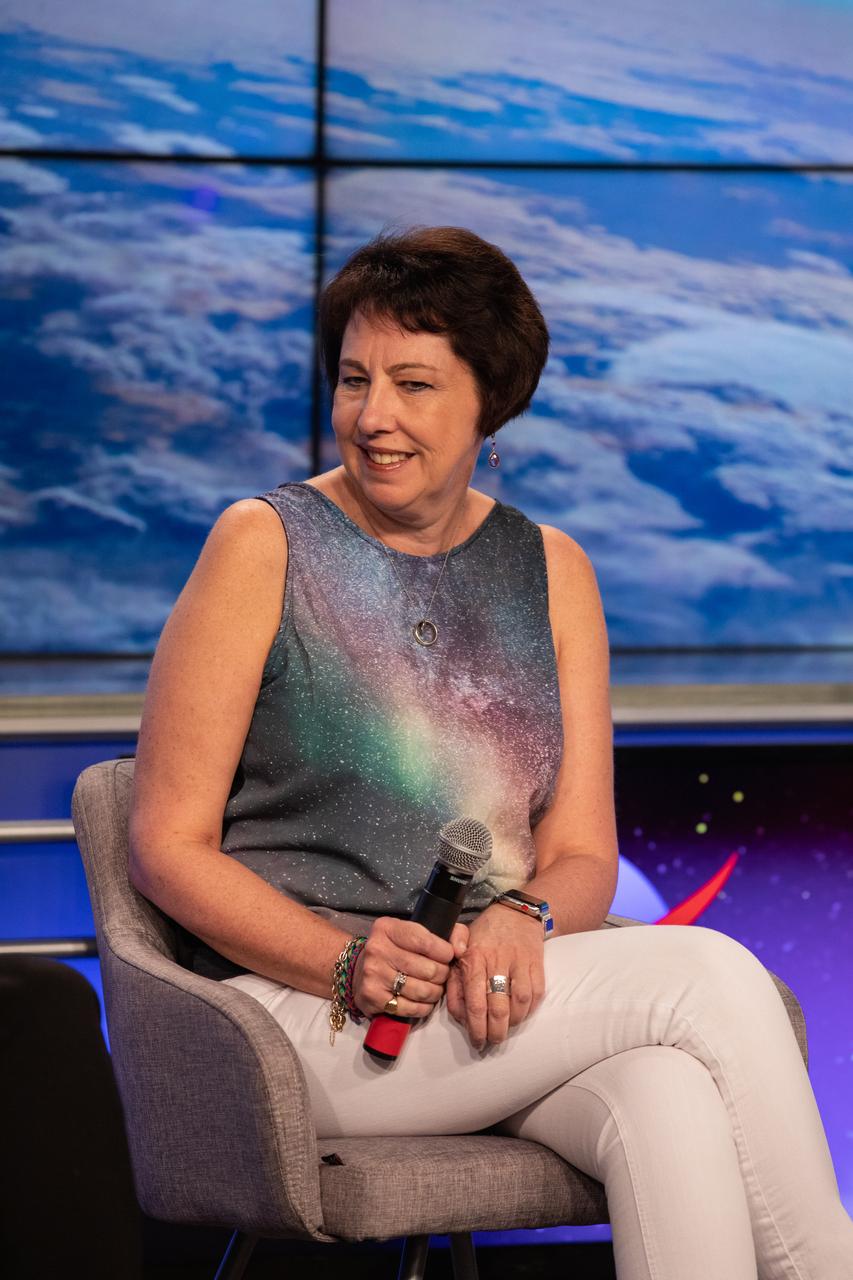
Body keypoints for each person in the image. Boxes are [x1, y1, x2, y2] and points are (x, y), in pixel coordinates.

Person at [128, 226, 853, 1280]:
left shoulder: (553, 570)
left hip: (492, 1011)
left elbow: (581, 854)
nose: (372, 415)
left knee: (671, 1095)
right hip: (305, 1018)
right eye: (355, 379)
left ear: (488, 403)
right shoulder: (263, 542)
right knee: (703, 975)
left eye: (413, 384)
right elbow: (164, 844)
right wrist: (344, 959)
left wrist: (528, 913)